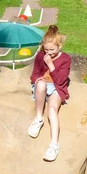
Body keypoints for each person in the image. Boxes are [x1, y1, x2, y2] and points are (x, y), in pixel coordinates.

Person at [28, 25, 71, 162]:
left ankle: (54, 145)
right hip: (43, 86)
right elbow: (34, 75)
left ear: (60, 46)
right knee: (40, 84)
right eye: (46, 49)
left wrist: (51, 65)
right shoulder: (41, 56)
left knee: (52, 110)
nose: (48, 53)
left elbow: (61, 81)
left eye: (52, 50)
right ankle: (38, 119)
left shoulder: (65, 59)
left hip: (57, 88)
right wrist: (37, 79)